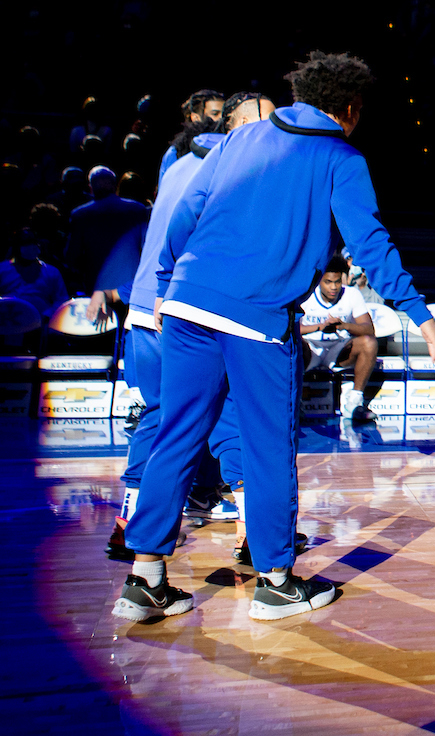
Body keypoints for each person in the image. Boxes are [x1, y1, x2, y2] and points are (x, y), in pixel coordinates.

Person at [113, 51, 435, 624]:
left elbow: (186, 212)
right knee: (268, 448)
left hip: (188, 303)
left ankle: (146, 580)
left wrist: (168, 282)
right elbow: (369, 243)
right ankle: (276, 582)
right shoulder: (341, 156)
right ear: (350, 108)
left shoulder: (240, 139)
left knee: (177, 435)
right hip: (258, 317)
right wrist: (419, 312)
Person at [103, 92, 280, 562]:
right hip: (188, 307)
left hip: (146, 305)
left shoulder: (178, 162)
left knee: (161, 416)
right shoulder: (235, 165)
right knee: (230, 416)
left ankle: (131, 521)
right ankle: (251, 531)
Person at [299, 257, 378, 420]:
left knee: (369, 343)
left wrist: (344, 325)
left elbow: (369, 329)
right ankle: (294, 402)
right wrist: (320, 327)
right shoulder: (306, 294)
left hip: (339, 349)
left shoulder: (352, 294)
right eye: (328, 282)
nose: (334, 287)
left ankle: (354, 403)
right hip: (311, 348)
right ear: (319, 281)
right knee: (294, 343)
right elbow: (293, 329)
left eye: (337, 282)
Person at [65, 165, 149, 296]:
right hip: (132, 285)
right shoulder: (138, 210)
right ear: (115, 186)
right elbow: (147, 248)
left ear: (91, 188)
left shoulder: (80, 215)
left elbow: (72, 256)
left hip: (97, 286)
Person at [158, 89, 224, 181]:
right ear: (195, 117)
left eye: (224, 114)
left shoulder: (228, 144)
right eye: (215, 114)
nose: (221, 119)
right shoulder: (176, 151)